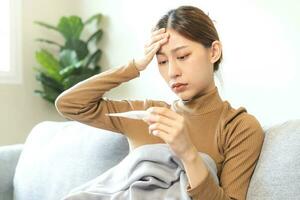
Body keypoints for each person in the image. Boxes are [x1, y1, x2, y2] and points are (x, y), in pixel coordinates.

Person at [55, 5, 265, 200]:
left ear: (213, 52)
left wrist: (188, 153)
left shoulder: (239, 127)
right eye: (162, 61)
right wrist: (135, 66)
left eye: (182, 56)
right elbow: (69, 104)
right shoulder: (148, 114)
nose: (172, 72)